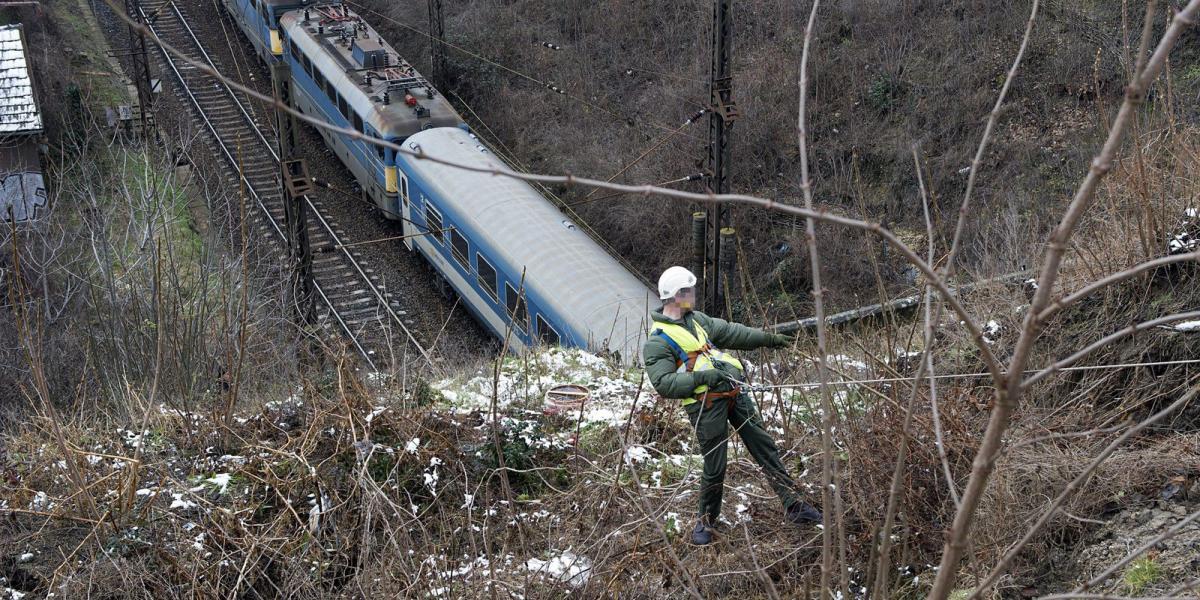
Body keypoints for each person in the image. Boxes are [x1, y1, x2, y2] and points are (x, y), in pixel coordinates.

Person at [643, 266, 822, 546]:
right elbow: (663, 383)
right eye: (690, 290)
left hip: (734, 393)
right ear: (678, 295)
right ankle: (705, 522)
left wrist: (769, 339)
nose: (695, 294)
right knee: (715, 466)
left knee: (764, 445)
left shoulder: (698, 320)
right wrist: (703, 378)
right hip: (705, 407)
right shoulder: (658, 342)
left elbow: (732, 332)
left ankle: (794, 504)